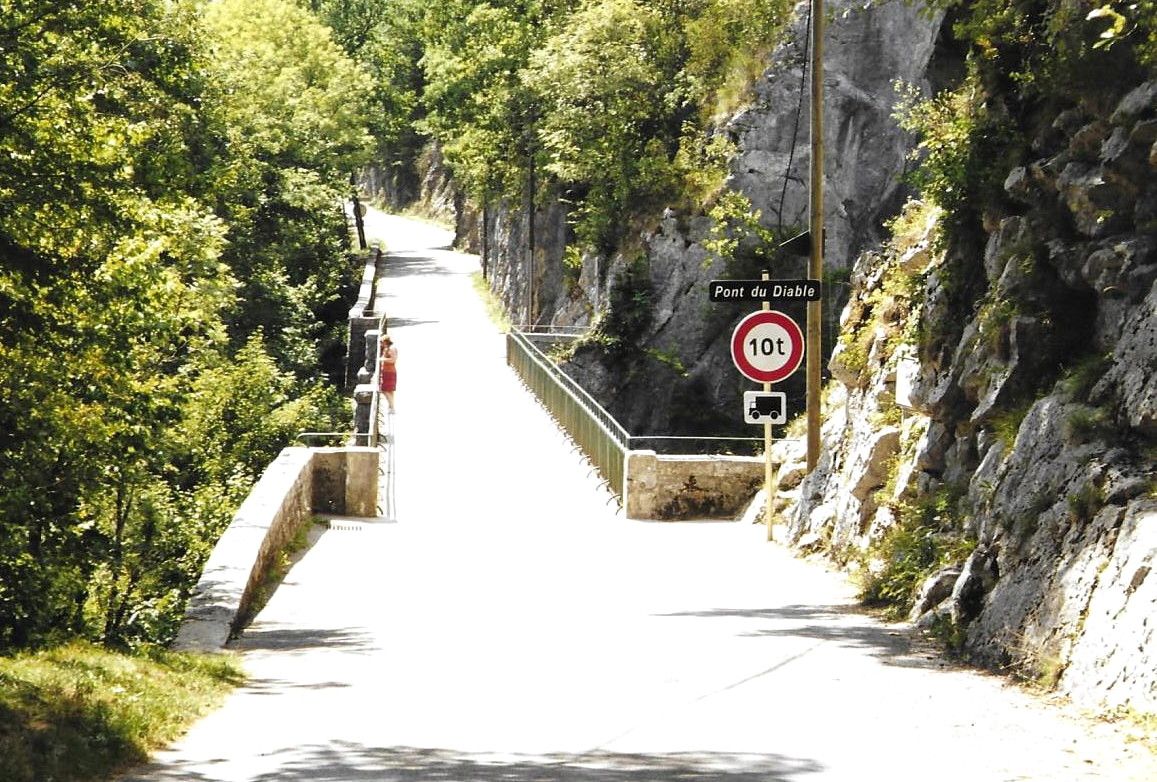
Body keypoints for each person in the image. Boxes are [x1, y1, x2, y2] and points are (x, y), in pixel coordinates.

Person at [379, 335, 398, 412]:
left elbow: (393, 360)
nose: (381, 344)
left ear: (385, 342)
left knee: (385, 389)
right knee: (390, 390)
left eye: (382, 342)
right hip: (387, 371)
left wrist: (382, 359)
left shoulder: (391, 349)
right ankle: (390, 406)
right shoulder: (387, 349)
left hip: (389, 371)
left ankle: (392, 407)